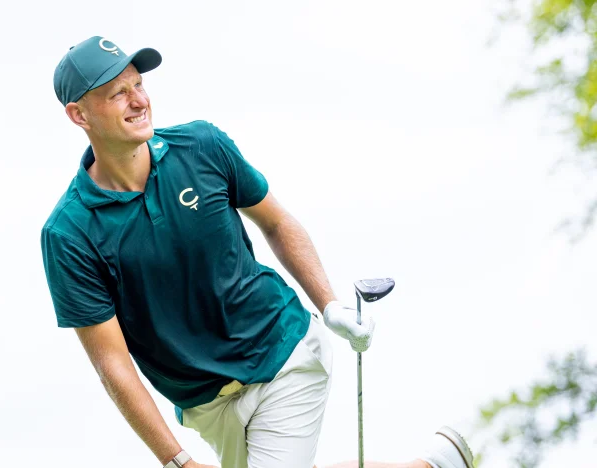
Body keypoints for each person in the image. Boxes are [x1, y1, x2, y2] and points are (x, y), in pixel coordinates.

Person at [41, 36, 474, 468]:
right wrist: (177, 461)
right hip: (206, 404)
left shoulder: (202, 146)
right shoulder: (69, 233)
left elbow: (277, 222)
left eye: (138, 84)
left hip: (280, 349)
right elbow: (113, 363)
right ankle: (433, 466)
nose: (138, 101)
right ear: (79, 114)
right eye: (119, 93)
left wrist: (330, 304)